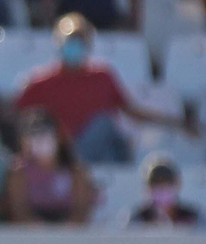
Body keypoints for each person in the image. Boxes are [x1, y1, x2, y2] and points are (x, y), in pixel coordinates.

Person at [12, 15, 180, 163]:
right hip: (60, 155)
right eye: (70, 41)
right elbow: (17, 115)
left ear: (88, 45)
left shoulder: (103, 77)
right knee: (104, 124)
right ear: (59, 44)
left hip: (97, 153)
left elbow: (132, 111)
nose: (75, 47)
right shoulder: (41, 81)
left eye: (80, 41)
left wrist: (175, 123)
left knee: (110, 133)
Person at [7, 111, 97, 223]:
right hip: (32, 234)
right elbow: (20, 213)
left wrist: (65, 233)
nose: (40, 140)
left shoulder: (75, 172)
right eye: (34, 135)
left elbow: (81, 212)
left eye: (45, 134)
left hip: (69, 233)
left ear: (59, 138)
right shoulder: (19, 173)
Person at [125, 156, 206, 227]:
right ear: (148, 187)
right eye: (156, 184)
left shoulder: (195, 218)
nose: (162, 188)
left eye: (166, 184)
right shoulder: (136, 219)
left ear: (177, 185)